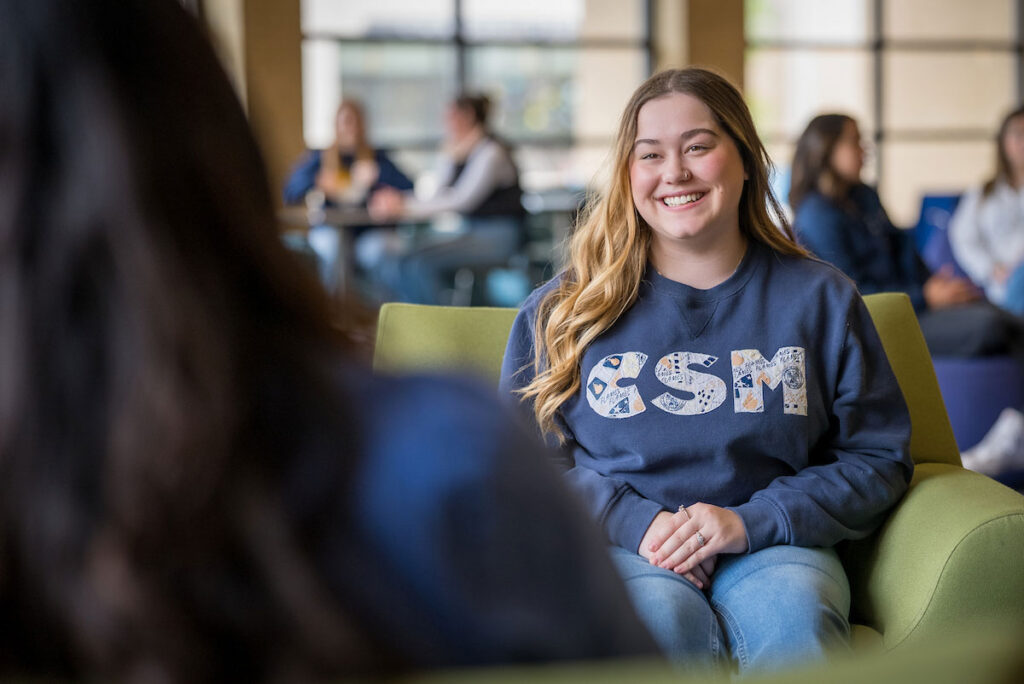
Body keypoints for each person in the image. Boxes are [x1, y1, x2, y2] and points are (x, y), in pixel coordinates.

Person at [0, 0, 660, 679]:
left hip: (485, 241)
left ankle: (395, 299)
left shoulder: (469, 156)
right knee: (378, 258)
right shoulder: (449, 460)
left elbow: (438, 200)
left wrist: (390, 194)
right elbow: (347, 189)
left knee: (389, 260)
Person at [499, 68, 913, 675]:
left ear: (745, 160)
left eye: (698, 146)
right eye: (651, 155)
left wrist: (751, 521)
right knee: (655, 624)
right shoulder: (562, 312)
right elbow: (520, 464)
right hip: (625, 547)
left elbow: (879, 458)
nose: (676, 173)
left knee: (795, 620)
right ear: (628, 174)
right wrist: (635, 522)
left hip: (776, 544)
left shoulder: (822, 299)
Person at [790, 114, 1024, 361]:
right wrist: (926, 296)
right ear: (826, 149)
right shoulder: (816, 216)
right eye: (854, 141)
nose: (865, 149)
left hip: (916, 304)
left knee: (1009, 318)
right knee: (990, 326)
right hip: (884, 321)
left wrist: (937, 286)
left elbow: (902, 246)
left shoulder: (864, 196)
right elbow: (852, 295)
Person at [369, 94, 525, 304]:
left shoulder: (491, 152)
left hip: (499, 235)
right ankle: (419, 322)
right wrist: (400, 200)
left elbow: (461, 200)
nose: (445, 123)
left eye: (449, 117)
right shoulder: (461, 150)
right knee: (405, 259)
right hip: (473, 232)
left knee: (420, 263)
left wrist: (403, 207)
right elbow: (437, 194)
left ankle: (436, 327)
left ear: (468, 116)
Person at [282, 99, 413, 296]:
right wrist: (318, 182)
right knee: (333, 248)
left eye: (354, 121)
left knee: (378, 251)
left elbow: (409, 187)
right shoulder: (322, 157)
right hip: (330, 227)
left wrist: (378, 175)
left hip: (367, 230)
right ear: (336, 125)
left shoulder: (376, 157)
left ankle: (380, 313)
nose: (349, 128)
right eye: (344, 122)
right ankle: (332, 313)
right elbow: (290, 191)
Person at [948, 105, 1024, 316]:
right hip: (1003, 285)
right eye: (1017, 134)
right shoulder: (984, 193)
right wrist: (991, 269)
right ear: (1003, 141)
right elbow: (963, 237)